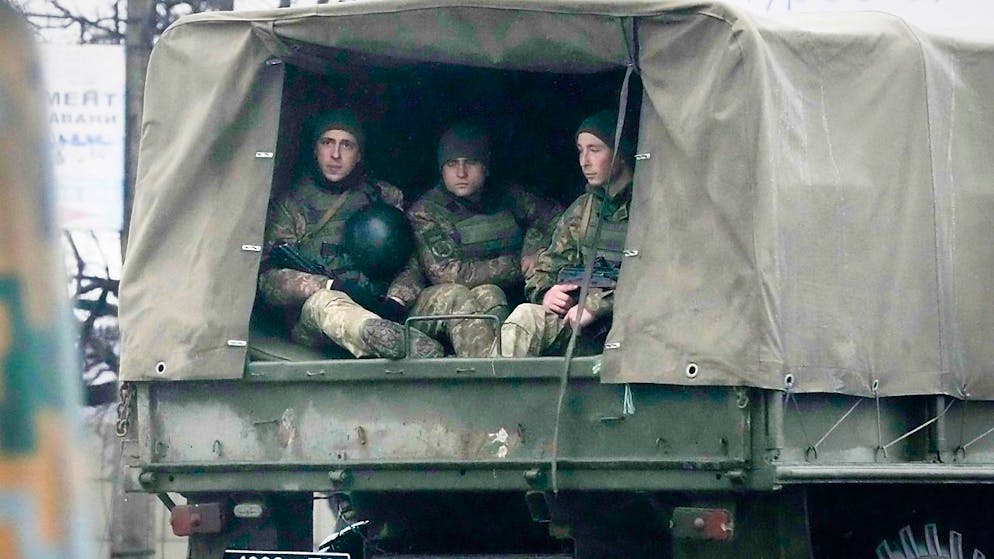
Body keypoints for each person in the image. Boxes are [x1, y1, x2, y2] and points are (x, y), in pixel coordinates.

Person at [258, 109, 442, 359]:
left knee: (452, 296)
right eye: (327, 143)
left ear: (359, 155)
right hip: (319, 320)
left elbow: (412, 262)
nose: (335, 154)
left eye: (346, 145)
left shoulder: (385, 197)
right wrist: (330, 285)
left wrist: (396, 301)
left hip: (385, 306)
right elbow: (269, 282)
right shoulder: (291, 206)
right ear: (315, 150)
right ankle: (389, 339)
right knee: (326, 303)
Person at [403, 123, 562, 357]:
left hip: (504, 299)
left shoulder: (509, 196)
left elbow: (558, 219)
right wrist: (518, 264)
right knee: (488, 293)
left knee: (494, 295)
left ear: (486, 167)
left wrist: (534, 245)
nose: (461, 173)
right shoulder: (427, 211)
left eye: (470, 162)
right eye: (451, 164)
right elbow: (450, 274)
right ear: (441, 170)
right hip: (445, 308)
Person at [500, 110, 634, 357]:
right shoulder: (583, 210)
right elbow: (548, 267)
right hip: (586, 334)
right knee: (525, 318)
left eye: (595, 150)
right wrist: (547, 293)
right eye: (581, 151)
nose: (585, 161)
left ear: (621, 153)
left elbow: (661, 278)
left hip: (637, 336)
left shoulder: (651, 208)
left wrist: (596, 306)